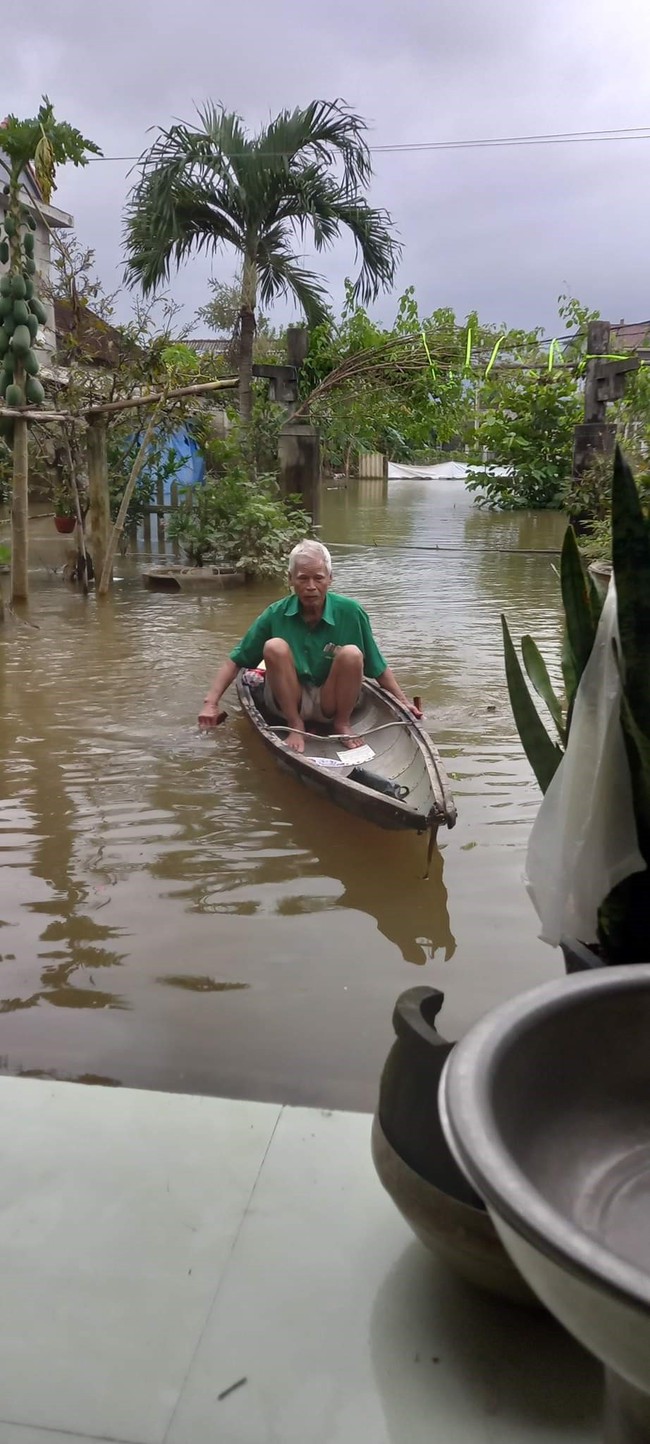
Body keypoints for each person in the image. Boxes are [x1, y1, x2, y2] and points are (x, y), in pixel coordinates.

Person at [198, 539, 423, 753]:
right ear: (290, 579)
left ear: (330, 579)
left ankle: (342, 724)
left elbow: (377, 666)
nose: (311, 587)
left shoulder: (351, 612)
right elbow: (236, 660)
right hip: (287, 700)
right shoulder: (276, 613)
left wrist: (403, 703)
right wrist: (211, 703)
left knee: (352, 654)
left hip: (331, 701)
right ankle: (296, 726)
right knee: (274, 647)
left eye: (318, 578)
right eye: (303, 578)